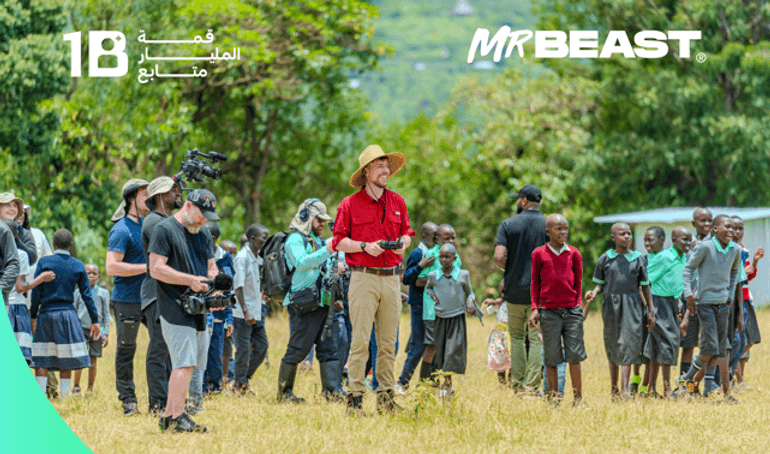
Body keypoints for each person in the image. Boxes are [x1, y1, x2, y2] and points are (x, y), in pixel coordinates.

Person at [332, 145, 414, 415]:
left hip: (392, 279)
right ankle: (354, 399)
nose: (385, 170)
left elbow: (407, 233)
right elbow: (339, 242)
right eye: (379, 166)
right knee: (360, 341)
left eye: (387, 166)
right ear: (366, 172)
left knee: (388, 343)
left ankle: (386, 398)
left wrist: (403, 242)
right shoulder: (349, 204)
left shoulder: (398, 202)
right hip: (363, 278)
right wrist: (365, 246)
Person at [149, 189, 219, 433]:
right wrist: (190, 280)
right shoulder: (164, 229)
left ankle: (168, 417)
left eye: (209, 217)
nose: (204, 220)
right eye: (202, 214)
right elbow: (156, 269)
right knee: (184, 363)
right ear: (188, 205)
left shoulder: (203, 234)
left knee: (191, 363)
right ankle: (179, 417)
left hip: (199, 306)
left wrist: (214, 281)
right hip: (173, 305)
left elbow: (211, 266)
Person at [277, 199, 343, 403]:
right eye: (319, 219)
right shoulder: (294, 240)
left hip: (323, 302)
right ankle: (284, 393)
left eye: (324, 220)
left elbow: (325, 265)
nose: (322, 223)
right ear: (306, 217)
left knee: (328, 348)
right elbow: (302, 263)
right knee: (298, 349)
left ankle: (332, 391)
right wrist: (329, 249)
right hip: (303, 303)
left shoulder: (318, 240)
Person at [585, 222, 655, 398]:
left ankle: (624, 390)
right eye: (622, 234)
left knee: (628, 344)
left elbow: (645, 287)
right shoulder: (605, 259)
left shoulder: (638, 258)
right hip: (611, 306)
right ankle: (614, 389)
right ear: (613, 237)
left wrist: (651, 310)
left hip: (632, 306)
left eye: (629, 234)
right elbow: (600, 285)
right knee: (613, 343)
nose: (627, 237)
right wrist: (593, 293)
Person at [678, 214, 742, 402]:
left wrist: (730, 295)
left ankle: (706, 390)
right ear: (715, 229)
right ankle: (686, 379)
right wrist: (689, 294)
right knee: (710, 347)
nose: (731, 230)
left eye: (733, 227)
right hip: (704, 303)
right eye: (726, 227)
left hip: (723, 304)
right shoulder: (705, 247)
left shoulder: (735, 250)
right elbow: (688, 269)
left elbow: (734, 272)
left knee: (719, 348)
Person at [30, 229, 101, 398]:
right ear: (71, 245)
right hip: (67, 314)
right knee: (66, 355)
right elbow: (87, 296)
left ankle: (41, 396)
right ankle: (65, 395)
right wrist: (95, 320)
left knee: (42, 355)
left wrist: (33, 315)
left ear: (53, 244)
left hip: (46, 313)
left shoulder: (44, 262)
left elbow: (36, 293)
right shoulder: (77, 265)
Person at [493, 184, 547, 392]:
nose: (516, 202)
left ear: (524, 201)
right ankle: (532, 387)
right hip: (540, 293)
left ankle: (517, 383)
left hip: (514, 291)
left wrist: (512, 269)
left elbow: (499, 256)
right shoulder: (548, 224)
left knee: (516, 336)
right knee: (535, 338)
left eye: (518, 199)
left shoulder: (508, 224)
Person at [528, 214, 585, 404]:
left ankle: (578, 399)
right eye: (558, 229)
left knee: (574, 356)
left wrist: (578, 305)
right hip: (549, 311)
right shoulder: (538, 254)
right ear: (548, 232)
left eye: (565, 228)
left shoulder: (574, 253)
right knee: (551, 357)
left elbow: (578, 282)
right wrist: (536, 308)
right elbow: (535, 284)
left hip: (571, 311)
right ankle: (553, 399)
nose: (563, 232)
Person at [106, 178, 150, 415]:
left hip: (152, 299)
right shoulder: (121, 229)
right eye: (145, 194)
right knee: (126, 350)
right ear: (132, 199)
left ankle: (159, 399)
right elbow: (111, 267)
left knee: (162, 346)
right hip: (127, 299)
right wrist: (147, 268)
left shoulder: (151, 225)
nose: (150, 198)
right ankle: (128, 400)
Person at [140, 176, 180, 414]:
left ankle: (168, 402)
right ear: (159, 196)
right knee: (158, 348)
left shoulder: (166, 220)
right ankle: (156, 403)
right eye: (173, 190)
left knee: (168, 349)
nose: (178, 193)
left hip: (165, 291)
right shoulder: (153, 222)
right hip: (154, 293)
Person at [643, 226, 691, 398]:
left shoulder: (683, 257)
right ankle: (666, 389)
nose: (688, 243)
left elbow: (677, 283)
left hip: (672, 303)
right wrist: (650, 308)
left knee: (658, 347)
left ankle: (650, 389)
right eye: (685, 239)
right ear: (674, 240)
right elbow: (646, 281)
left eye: (689, 239)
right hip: (658, 303)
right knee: (669, 344)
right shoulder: (664, 258)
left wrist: (678, 301)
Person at [425, 243, 476, 397]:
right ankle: (447, 386)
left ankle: (447, 384)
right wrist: (432, 295)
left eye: (448, 257)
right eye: (441, 256)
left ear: (454, 258)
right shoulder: (434, 275)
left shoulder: (463, 275)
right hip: (440, 317)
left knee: (452, 351)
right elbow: (428, 288)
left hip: (457, 317)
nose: (444, 259)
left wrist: (470, 302)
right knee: (441, 352)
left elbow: (470, 293)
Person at [395, 221, 437, 394]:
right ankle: (402, 382)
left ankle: (429, 383)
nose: (437, 238)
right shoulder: (417, 253)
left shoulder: (436, 253)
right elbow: (406, 279)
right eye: (435, 235)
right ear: (425, 235)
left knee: (433, 344)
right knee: (418, 345)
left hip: (432, 306)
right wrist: (421, 266)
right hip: (419, 304)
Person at [416, 224, 461, 384]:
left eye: (453, 237)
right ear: (437, 240)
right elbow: (419, 280)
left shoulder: (456, 257)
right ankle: (422, 383)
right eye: (447, 238)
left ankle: (447, 385)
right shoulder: (430, 255)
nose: (451, 241)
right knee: (432, 346)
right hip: (432, 310)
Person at [4, 219, 49, 364]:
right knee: (19, 358)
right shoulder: (20, 254)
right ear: (16, 235)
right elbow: (20, 287)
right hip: (15, 307)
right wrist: (41, 278)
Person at [232, 223, 269, 396]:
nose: (265, 241)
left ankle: (242, 378)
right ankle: (239, 385)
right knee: (242, 349)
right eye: (263, 238)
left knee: (262, 345)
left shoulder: (257, 258)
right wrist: (245, 311)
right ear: (253, 239)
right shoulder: (242, 257)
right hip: (243, 313)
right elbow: (238, 286)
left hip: (256, 310)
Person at [679, 207, 713, 386]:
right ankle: (683, 382)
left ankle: (698, 383)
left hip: (706, 299)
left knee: (707, 344)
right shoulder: (688, 244)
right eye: (702, 221)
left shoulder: (713, 243)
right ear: (694, 223)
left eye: (709, 221)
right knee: (688, 343)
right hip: (688, 299)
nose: (707, 224)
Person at [731, 216, 762, 387]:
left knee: (749, 339)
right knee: (740, 340)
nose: (737, 232)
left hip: (745, 297)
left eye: (740, 228)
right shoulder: (729, 250)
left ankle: (735, 375)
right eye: (734, 228)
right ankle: (732, 375)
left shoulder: (743, 249)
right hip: (734, 299)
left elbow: (749, 274)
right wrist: (746, 270)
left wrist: (755, 262)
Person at [72, 264, 111, 394]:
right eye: (88, 273)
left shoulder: (103, 293)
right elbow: (74, 312)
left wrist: (106, 334)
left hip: (97, 331)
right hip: (81, 329)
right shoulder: (78, 292)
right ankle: (76, 387)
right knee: (80, 358)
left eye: (94, 273)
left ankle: (90, 388)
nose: (91, 276)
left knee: (93, 358)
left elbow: (106, 314)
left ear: (98, 277)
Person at [482, 282, 511, 385]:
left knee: (513, 358)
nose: (504, 294)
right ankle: (502, 383)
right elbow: (484, 313)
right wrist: (486, 304)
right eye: (502, 291)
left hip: (511, 334)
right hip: (499, 337)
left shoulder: (515, 304)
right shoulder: (498, 304)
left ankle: (511, 382)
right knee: (500, 360)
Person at [0, 192, 37, 266]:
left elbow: (32, 259)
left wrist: (15, 238)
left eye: (15, 206)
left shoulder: (25, 233)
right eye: (7, 205)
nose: (12, 209)